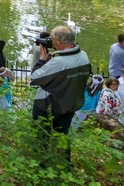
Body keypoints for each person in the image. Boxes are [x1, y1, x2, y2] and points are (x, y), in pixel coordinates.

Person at [31, 25, 91, 165]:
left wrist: (42, 59)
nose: (50, 43)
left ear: (58, 42)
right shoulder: (83, 56)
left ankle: (41, 166)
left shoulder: (59, 62)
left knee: (41, 138)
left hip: (48, 106)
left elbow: (36, 77)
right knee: (62, 136)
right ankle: (64, 164)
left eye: (51, 40)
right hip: (69, 105)